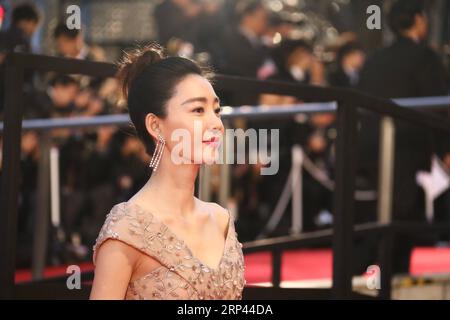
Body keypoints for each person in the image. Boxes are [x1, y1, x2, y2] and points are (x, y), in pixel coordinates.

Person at [90, 42, 246, 299]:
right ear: (156, 126)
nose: (215, 123)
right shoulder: (129, 229)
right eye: (198, 110)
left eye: (216, 110)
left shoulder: (220, 220)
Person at [357, 0, 448, 274]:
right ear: (419, 20)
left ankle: (370, 277)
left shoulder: (374, 58)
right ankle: (392, 277)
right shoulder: (425, 57)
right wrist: (445, 148)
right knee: (402, 218)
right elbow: (439, 107)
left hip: (371, 148)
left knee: (379, 216)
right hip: (408, 149)